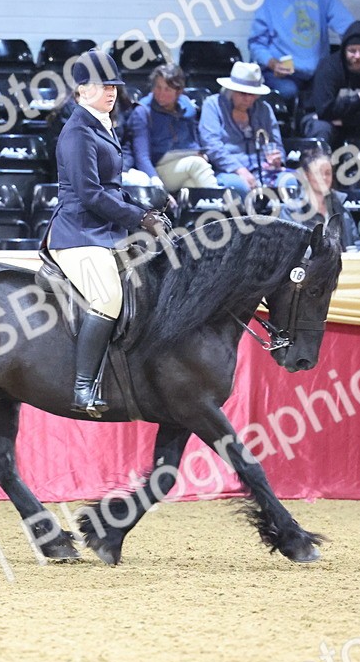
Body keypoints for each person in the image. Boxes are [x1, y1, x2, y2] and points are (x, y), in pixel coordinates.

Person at [47, 50, 169, 417]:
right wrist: (138, 219)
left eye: (114, 85)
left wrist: (144, 210)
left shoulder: (101, 125)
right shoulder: (78, 132)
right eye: (102, 86)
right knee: (107, 298)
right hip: (79, 234)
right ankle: (83, 388)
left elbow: (111, 188)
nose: (111, 92)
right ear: (82, 90)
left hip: (105, 229)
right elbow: (90, 193)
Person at [247, 0, 355, 101]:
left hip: (317, 71)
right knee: (289, 92)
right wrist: (272, 64)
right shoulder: (269, 0)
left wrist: (357, 44)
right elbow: (256, 44)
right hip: (284, 75)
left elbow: (345, 24)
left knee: (335, 91)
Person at [125, 64, 218, 193]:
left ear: (178, 91)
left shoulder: (187, 106)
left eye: (167, 89)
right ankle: (221, 202)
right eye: (158, 87)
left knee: (191, 185)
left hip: (185, 164)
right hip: (158, 169)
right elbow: (142, 157)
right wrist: (156, 183)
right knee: (198, 164)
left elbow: (194, 141)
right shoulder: (142, 112)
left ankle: (202, 211)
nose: (161, 94)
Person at [198, 62, 285, 194]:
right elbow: (212, 145)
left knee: (289, 181)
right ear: (232, 90)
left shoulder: (264, 109)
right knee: (239, 186)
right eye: (243, 93)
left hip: (263, 169)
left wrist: (278, 160)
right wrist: (239, 169)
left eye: (253, 94)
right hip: (228, 171)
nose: (248, 99)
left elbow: (276, 143)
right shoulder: (213, 105)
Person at [304, 21, 360, 149]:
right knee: (321, 128)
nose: (357, 56)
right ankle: (318, 167)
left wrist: (346, 121)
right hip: (324, 120)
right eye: (352, 51)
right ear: (344, 50)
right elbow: (323, 109)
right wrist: (357, 101)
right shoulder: (329, 66)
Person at [279, 149, 360, 250]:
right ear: (306, 175)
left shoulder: (341, 208)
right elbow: (288, 250)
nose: (324, 177)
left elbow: (357, 244)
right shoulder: (291, 211)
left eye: (328, 173)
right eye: (318, 173)